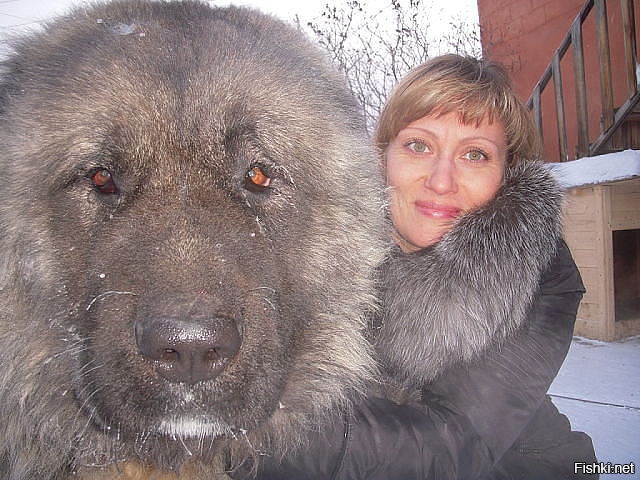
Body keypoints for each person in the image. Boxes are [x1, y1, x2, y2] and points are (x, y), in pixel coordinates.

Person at [231, 54, 598, 479]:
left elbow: (451, 445)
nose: (441, 181)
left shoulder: (533, 272)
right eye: (418, 146)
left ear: (505, 174)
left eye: (475, 154)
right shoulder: (325, 248)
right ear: (382, 156)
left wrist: (250, 433)